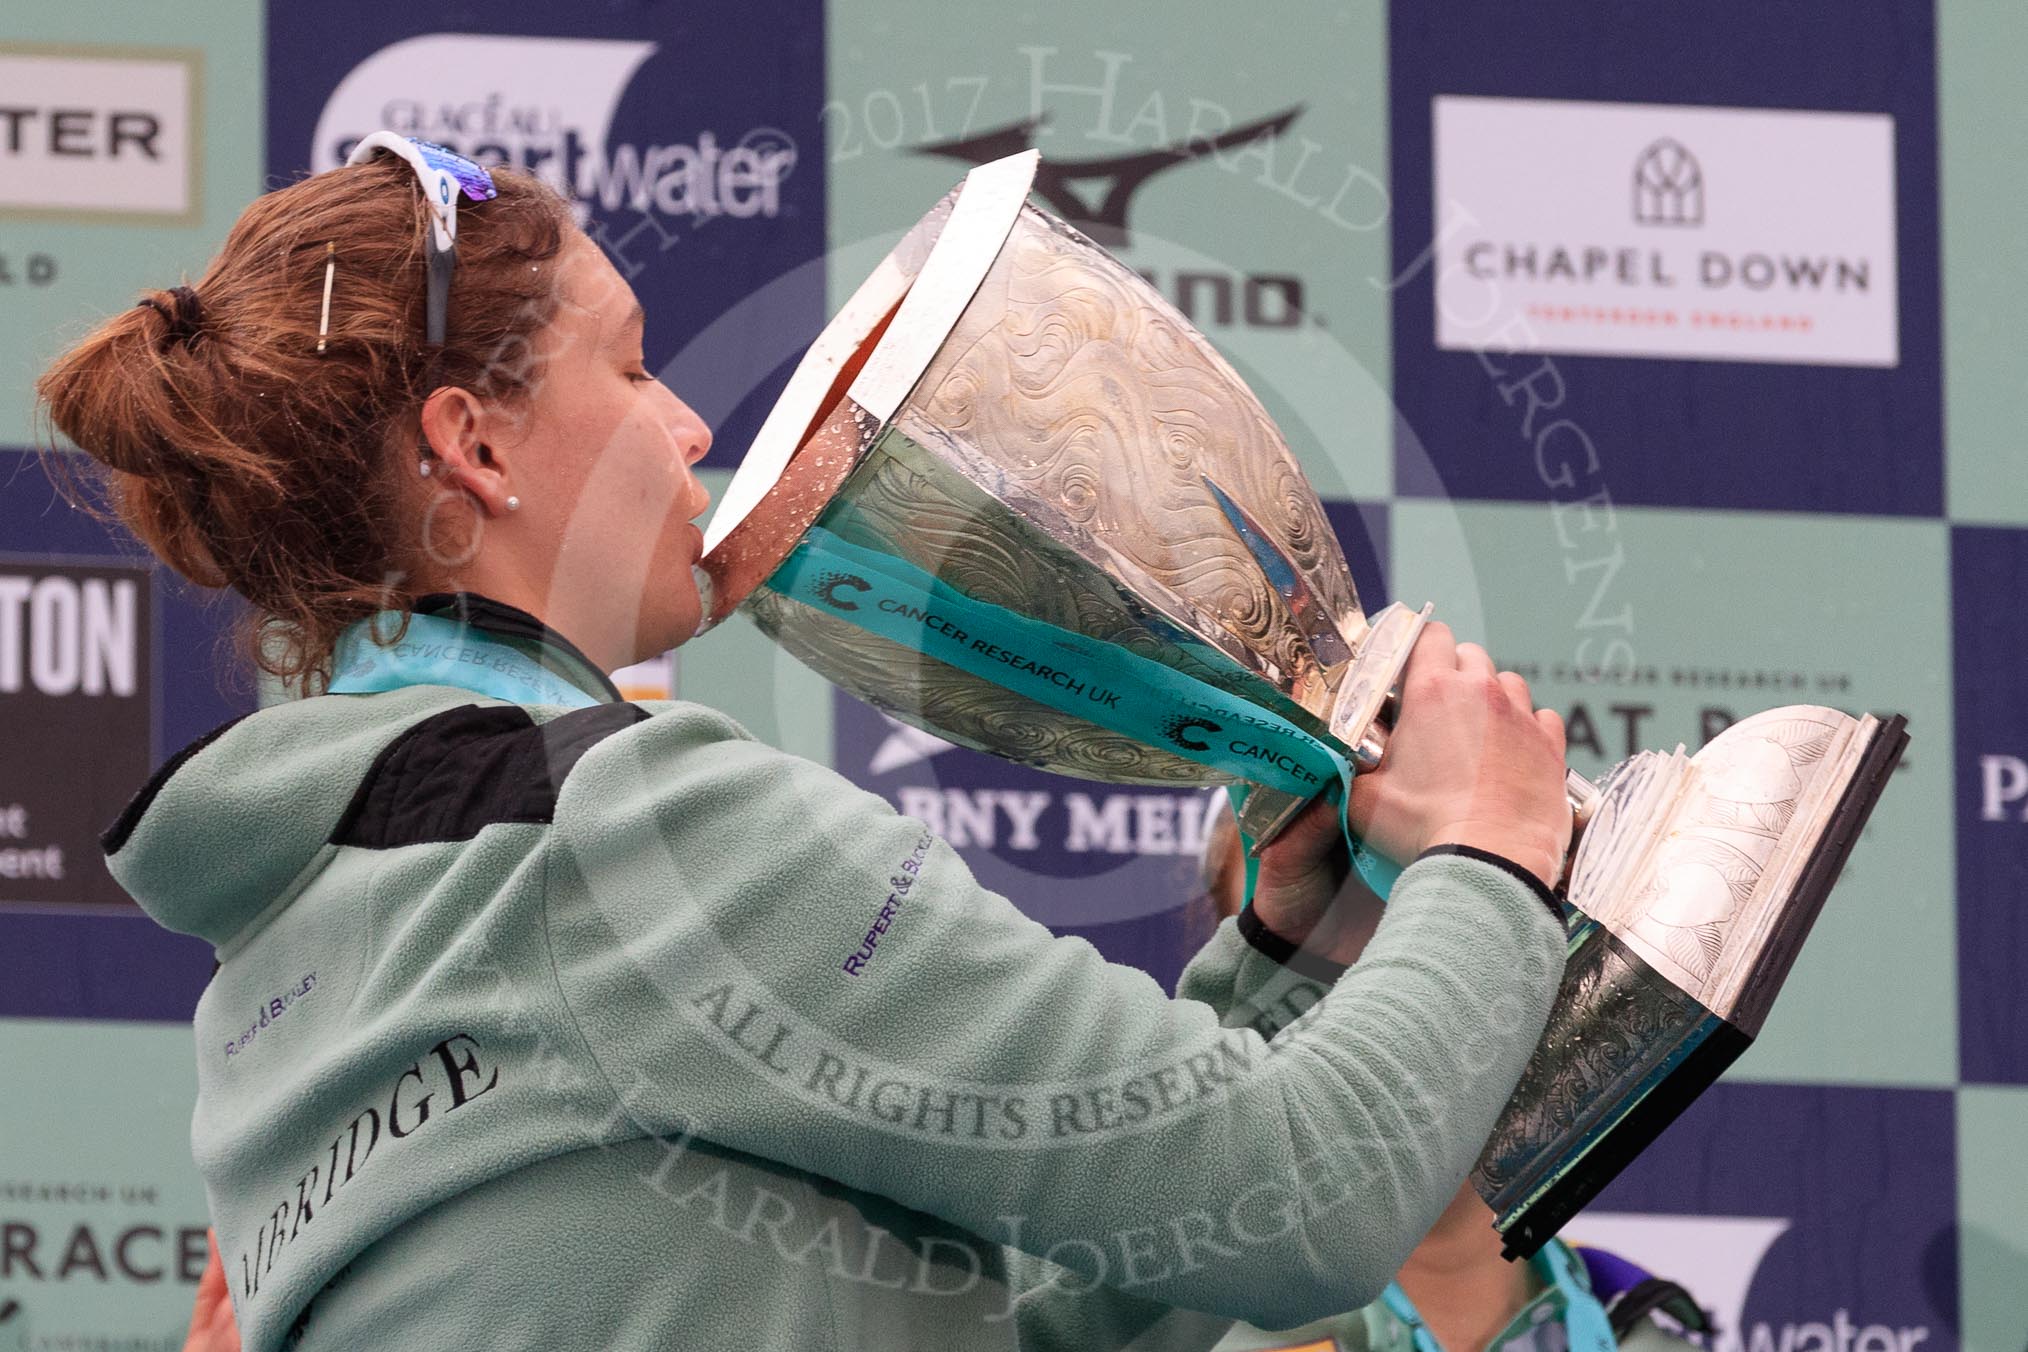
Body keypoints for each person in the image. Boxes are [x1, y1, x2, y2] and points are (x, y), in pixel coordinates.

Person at [40, 136, 1577, 1352]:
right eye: (633, 366)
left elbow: (991, 1320)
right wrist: (1484, 854)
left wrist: (1289, 960)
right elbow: (1297, 1201)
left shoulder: (279, 969)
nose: (689, 425)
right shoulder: (625, 829)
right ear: (477, 446)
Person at [1195, 814, 1711, 1352]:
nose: (1387, 998)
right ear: (1233, 979)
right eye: (1306, 936)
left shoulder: (1633, 1328)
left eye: (1445, 923)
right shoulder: (1167, 1328)